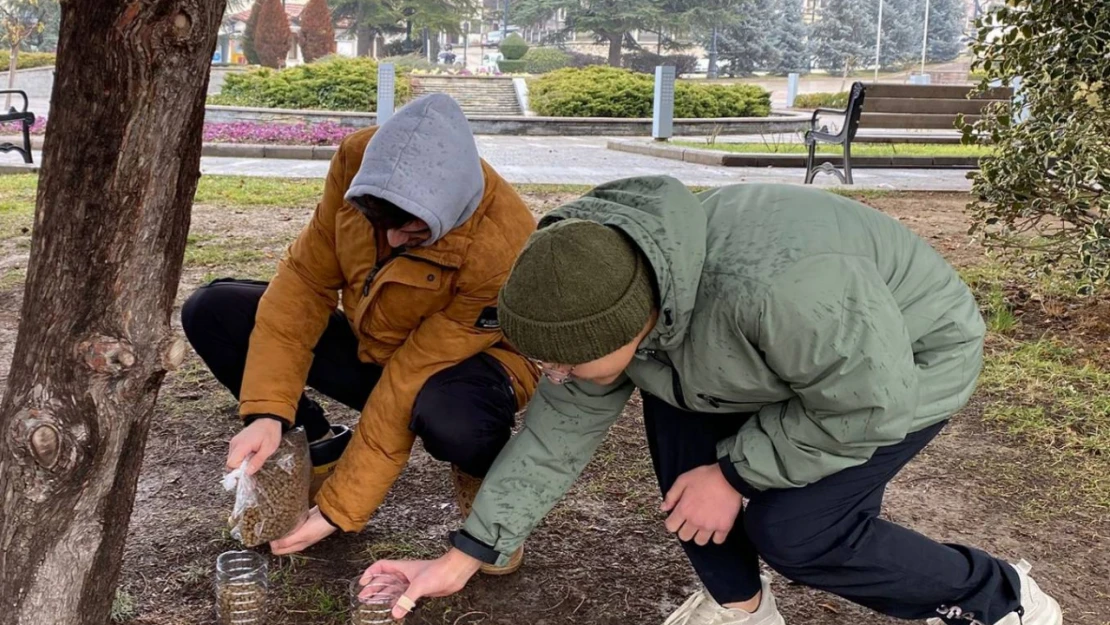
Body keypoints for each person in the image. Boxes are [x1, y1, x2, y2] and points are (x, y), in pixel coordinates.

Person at [364, 176, 1063, 625]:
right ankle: (743, 610)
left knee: (800, 531)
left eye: (565, 360)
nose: (554, 375)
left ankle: (1001, 597)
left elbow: (866, 406)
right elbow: (555, 435)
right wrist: (464, 554)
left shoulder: (787, 290)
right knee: (681, 436)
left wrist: (736, 474)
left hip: (900, 365)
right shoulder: (603, 276)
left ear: (630, 325)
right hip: (751, 359)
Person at [181, 94, 538, 572]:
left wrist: (338, 510)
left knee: (455, 420)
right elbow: (303, 287)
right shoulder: (357, 164)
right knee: (214, 310)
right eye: (379, 223)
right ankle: (319, 443)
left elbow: (412, 375)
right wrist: (267, 411)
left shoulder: (502, 245)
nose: (390, 241)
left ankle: (485, 492)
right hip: (375, 343)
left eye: (412, 232)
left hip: (468, 367)